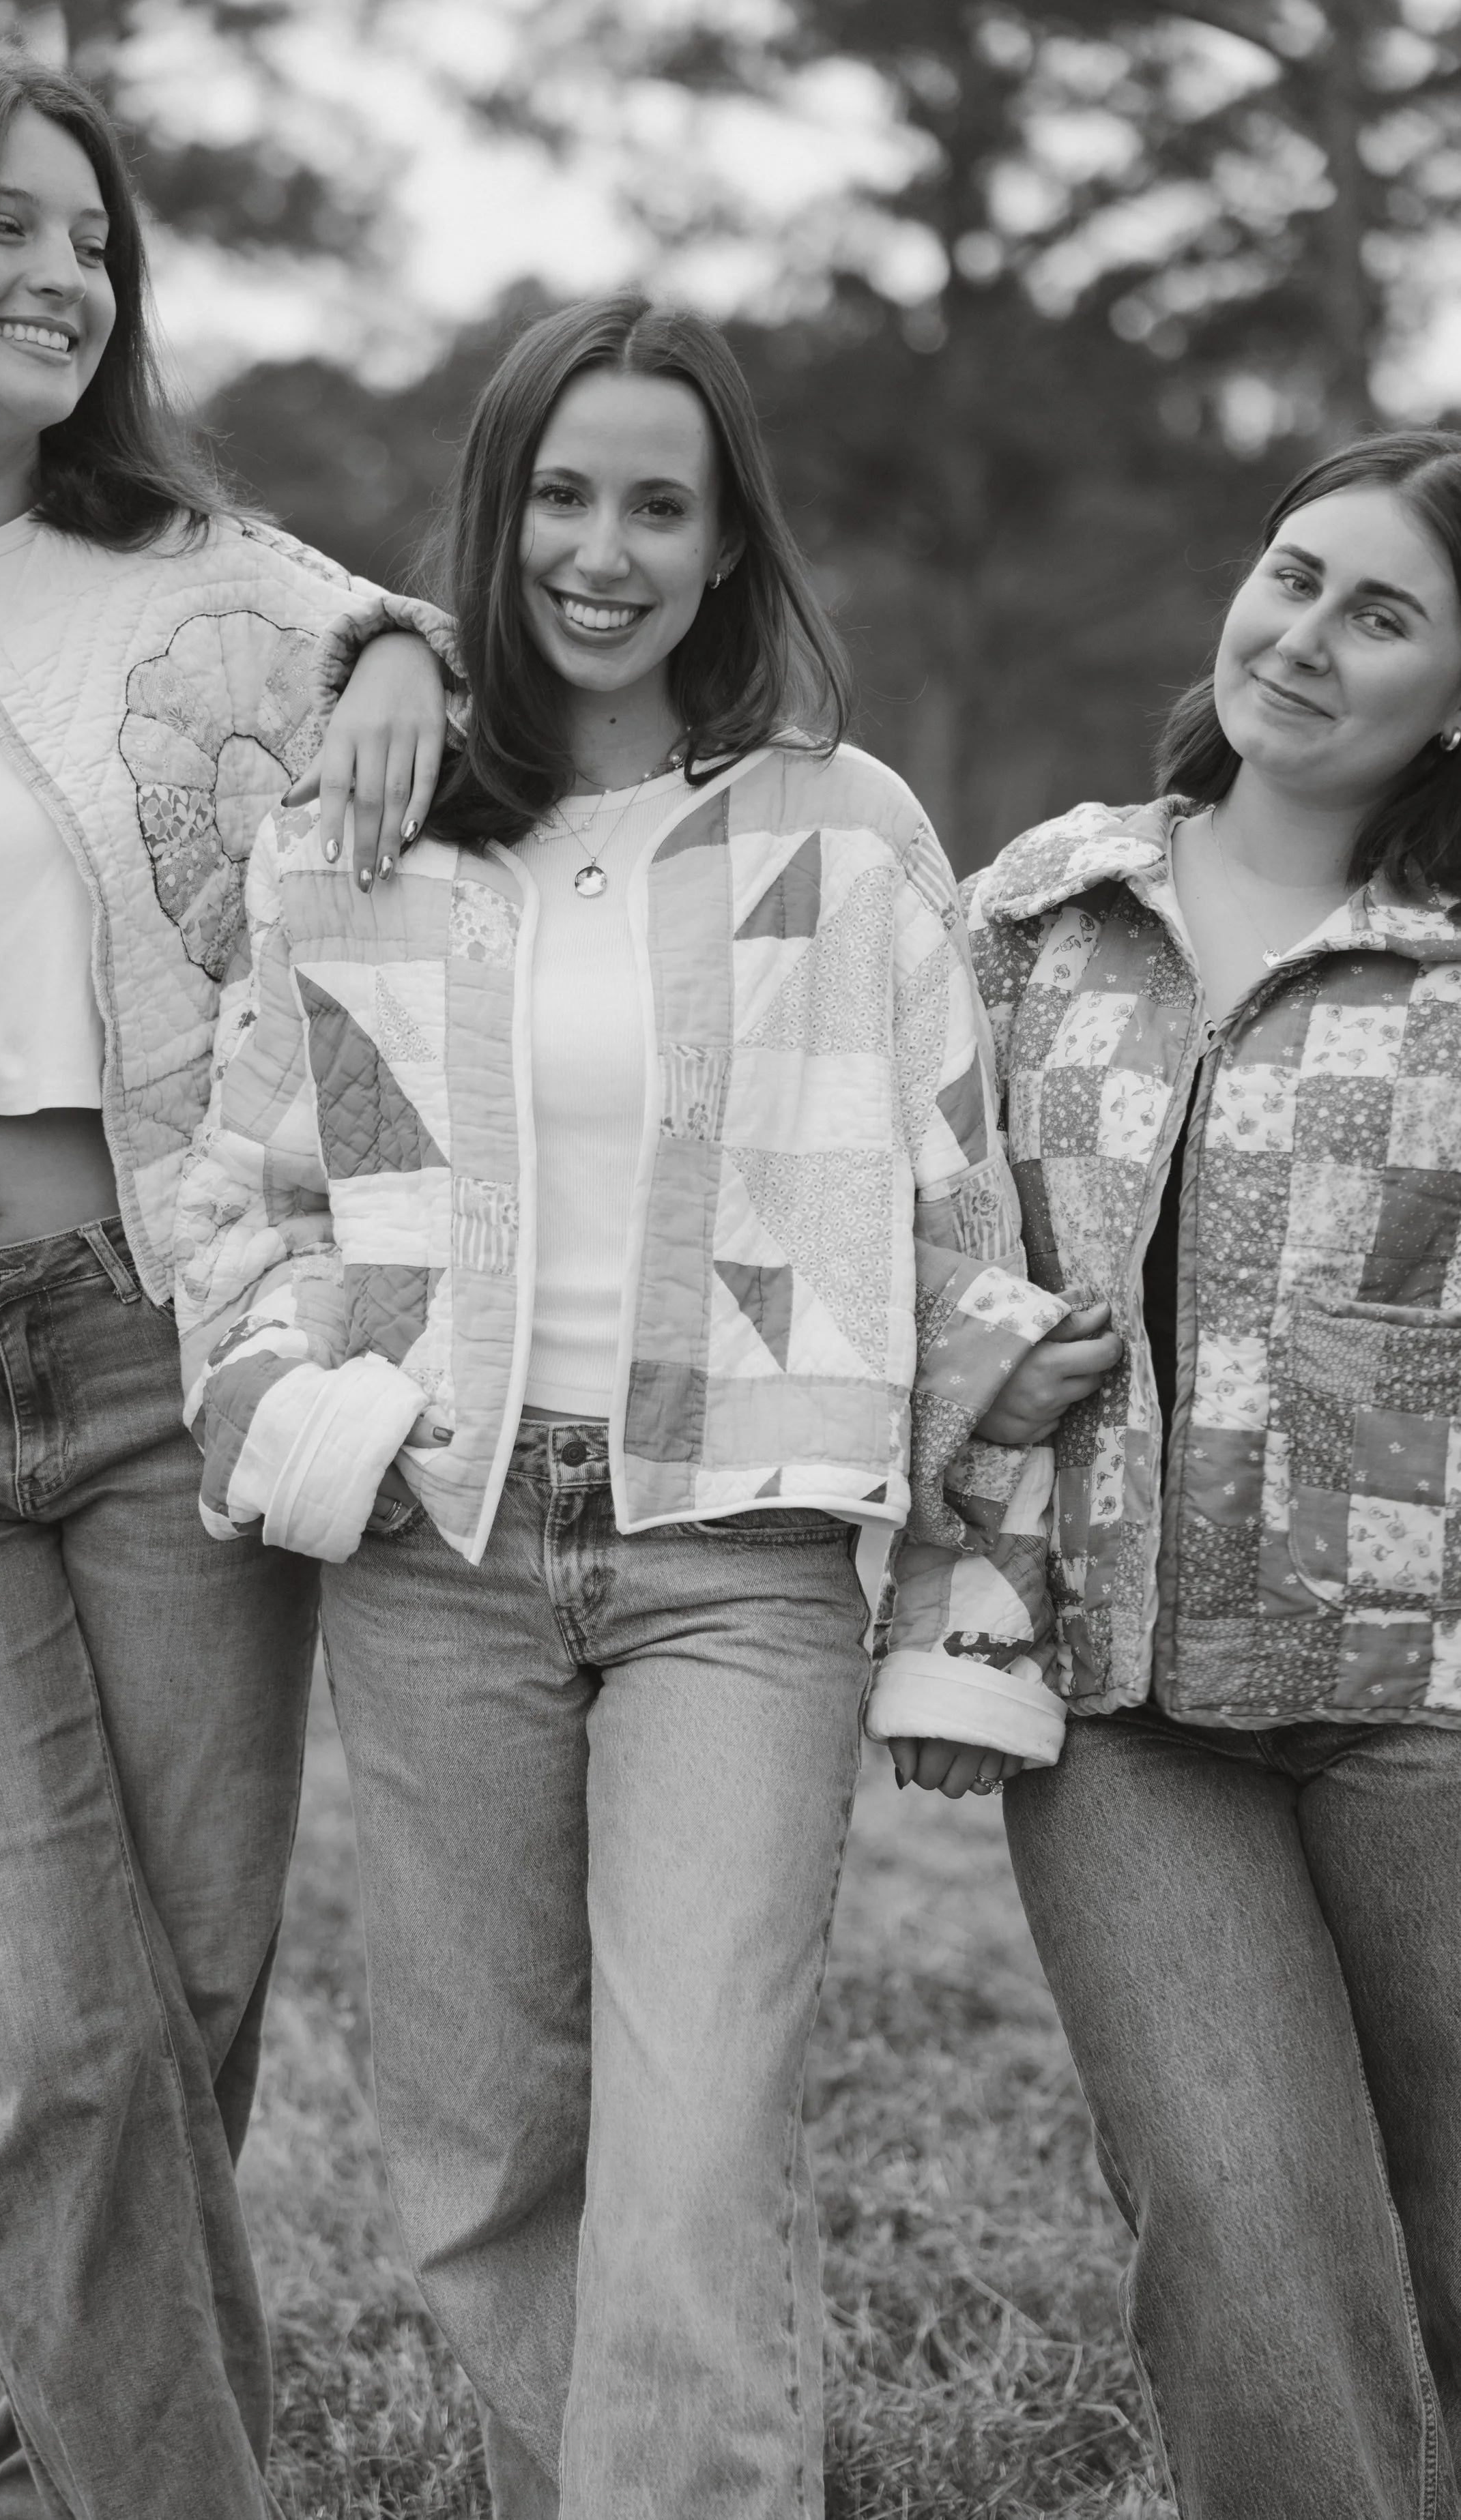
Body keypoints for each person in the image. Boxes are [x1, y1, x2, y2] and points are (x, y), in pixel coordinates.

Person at [174, 291, 1105, 2520]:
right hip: (439, 1550)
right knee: (486, 2151)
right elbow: (234, 1185)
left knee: (694, 2144)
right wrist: (326, 1415)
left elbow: (950, 1189)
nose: (604, 548)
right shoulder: (360, 828)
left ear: (722, 545)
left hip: (738, 1562)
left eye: (658, 505)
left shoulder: (840, 827)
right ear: (498, 519)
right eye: (564, 494)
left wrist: (981, 1501)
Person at [0, 37, 454, 2520]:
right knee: (72, 2028)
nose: (67, 274)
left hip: (173, 1367)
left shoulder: (201, 587)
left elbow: (415, 638)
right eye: (10, 226)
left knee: (189, 2005)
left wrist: (402, 657)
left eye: (94, 236)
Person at [902, 428, 1461, 2519]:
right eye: (1292, 575)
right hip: (1119, 1700)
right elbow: (896, 1213)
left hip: (1427, 1698)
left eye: (1380, 612)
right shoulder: (1039, 909)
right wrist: (984, 1362)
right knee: (1245, 2233)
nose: (1302, 638)